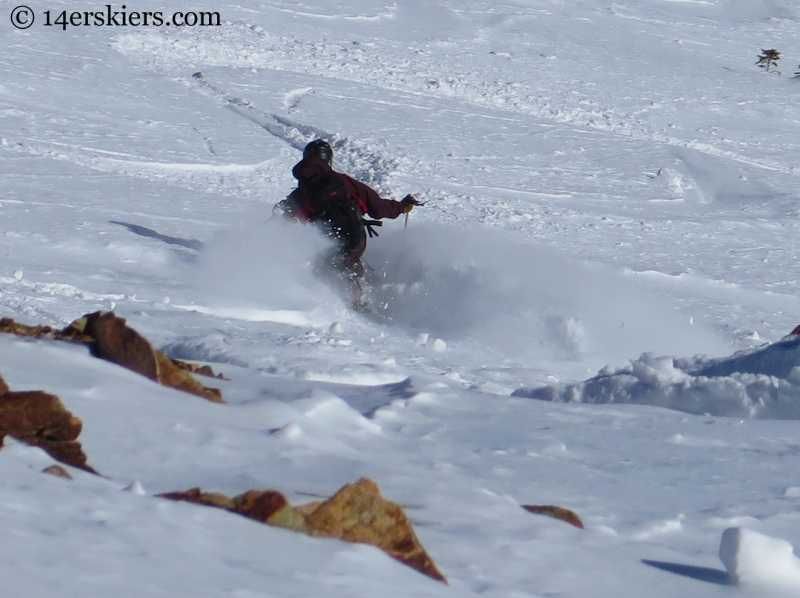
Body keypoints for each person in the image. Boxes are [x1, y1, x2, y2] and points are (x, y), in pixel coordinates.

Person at [277, 139, 420, 309]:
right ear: (329, 160)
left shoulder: (301, 195)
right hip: (355, 239)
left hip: (326, 243)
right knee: (346, 261)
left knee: (326, 266)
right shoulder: (343, 182)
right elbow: (378, 208)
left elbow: (284, 222)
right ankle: (361, 296)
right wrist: (401, 207)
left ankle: (346, 301)